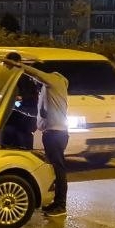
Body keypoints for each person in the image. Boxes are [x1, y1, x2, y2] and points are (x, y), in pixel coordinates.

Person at [36, 59, 71, 217]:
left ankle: (61, 205)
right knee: (55, 169)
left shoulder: (55, 80)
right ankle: (56, 202)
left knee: (59, 169)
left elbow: (36, 74)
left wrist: (18, 66)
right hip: (53, 133)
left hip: (56, 134)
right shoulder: (50, 87)